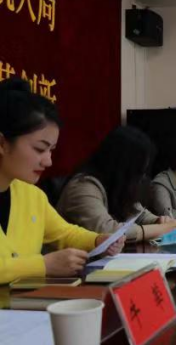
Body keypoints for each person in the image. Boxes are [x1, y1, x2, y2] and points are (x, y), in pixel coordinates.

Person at [0, 79, 124, 285]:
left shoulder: (31, 195)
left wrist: (97, 241)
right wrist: (44, 266)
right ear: (2, 143)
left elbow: (65, 233)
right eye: (40, 149)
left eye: (51, 150)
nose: (48, 161)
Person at [57, 126, 176, 243]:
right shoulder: (82, 187)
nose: (141, 177)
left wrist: (158, 220)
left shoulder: (117, 185)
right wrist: (160, 229)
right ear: (122, 166)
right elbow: (108, 231)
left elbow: (137, 212)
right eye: (138, 171)